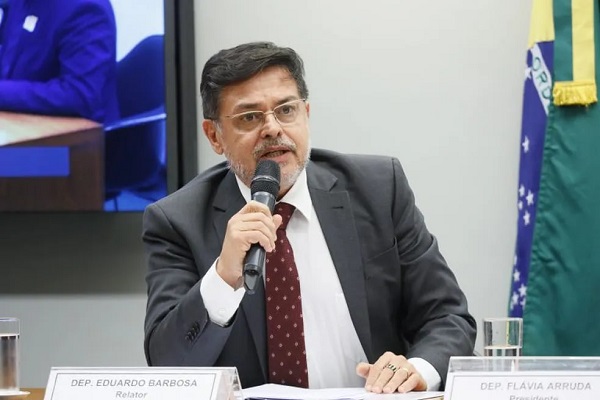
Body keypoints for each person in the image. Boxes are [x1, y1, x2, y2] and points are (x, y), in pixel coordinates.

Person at [143, 42, 476, 393]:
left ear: (306, 113)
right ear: (215, 136)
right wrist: (223, 277)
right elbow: (169, 365)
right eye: (250, 117)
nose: (272, 128)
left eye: (286, 110)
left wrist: (415, 370)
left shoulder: (378, 190)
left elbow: (448, 318)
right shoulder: (177, 222)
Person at [0, 0, 118, 123]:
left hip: (73, 130)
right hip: (19, 120)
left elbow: (79, 95)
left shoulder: (86, 8)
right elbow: (11, 57)